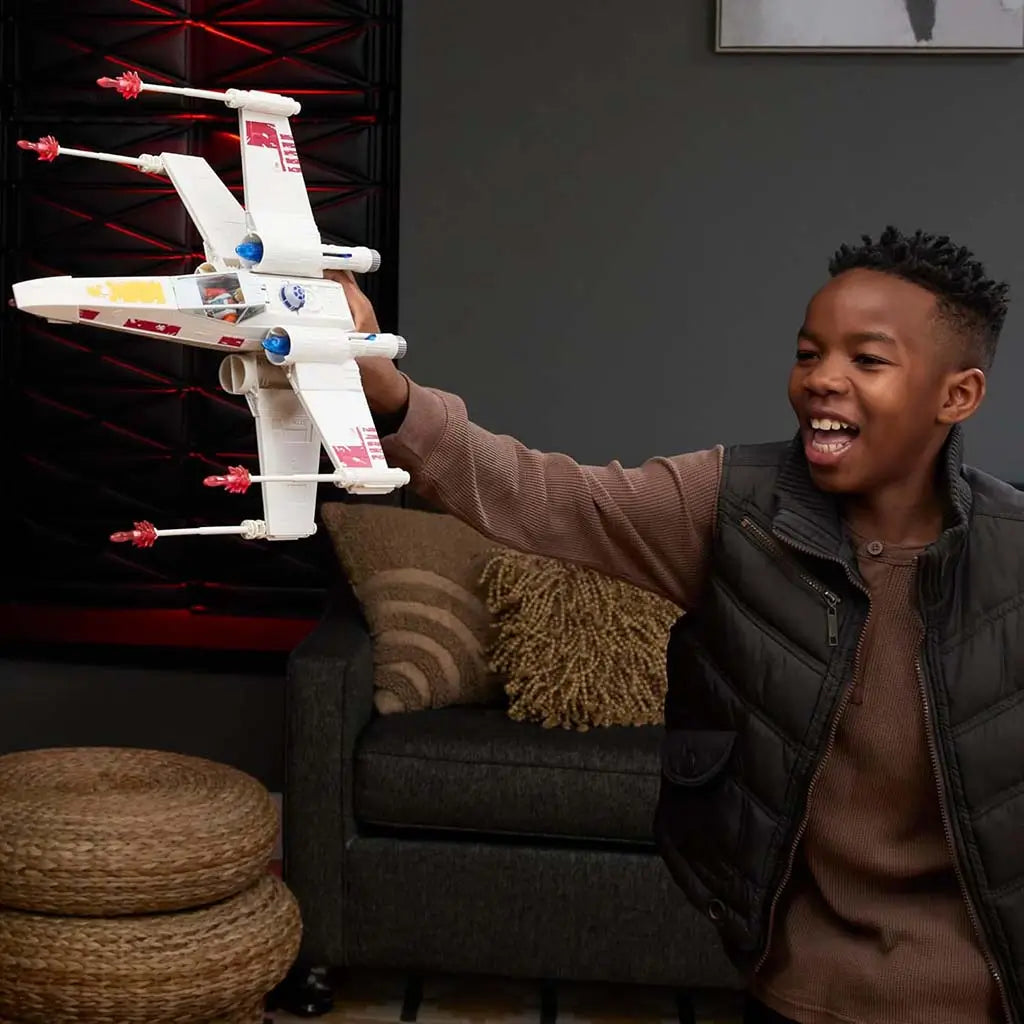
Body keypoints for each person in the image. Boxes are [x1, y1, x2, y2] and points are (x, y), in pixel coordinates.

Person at [326, 225, 1022, 1024]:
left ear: (956, 396)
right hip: (790, 989)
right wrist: (395, 398)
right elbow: (550, 497)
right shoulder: (733, 505)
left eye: (867, 360)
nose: (822, 380)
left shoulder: (1013, 557)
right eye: (807, 353)